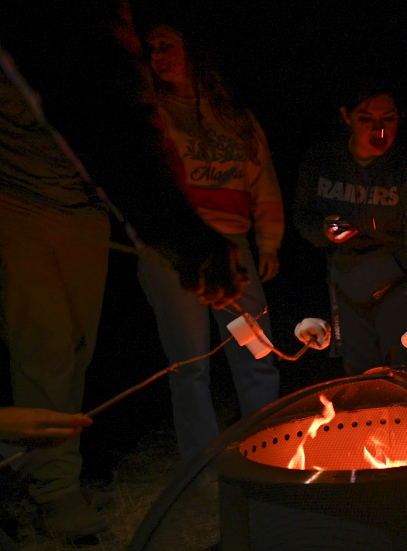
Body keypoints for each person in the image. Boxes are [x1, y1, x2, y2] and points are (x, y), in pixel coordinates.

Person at [0, 1, 244, 539]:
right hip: (18, 196)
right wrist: (183, 238)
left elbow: (129, 122)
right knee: (45, 343)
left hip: (84, 205)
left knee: (76, 346)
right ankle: (53, 490)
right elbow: (106, 112)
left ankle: (41, 467)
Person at [138, 22, 285, 465]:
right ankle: (201, 468)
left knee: (255, 349)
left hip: (232, 242)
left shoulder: (234, 117)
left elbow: (264, 182)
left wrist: (270, 242)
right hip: (175, 247)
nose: (157, 57)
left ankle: (269, 452)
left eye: (167, 46)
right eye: (150, 50)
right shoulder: (152, 112)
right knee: (190, 363)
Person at [294, 88, 407, 374]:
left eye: (389, 119)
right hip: (345, 283)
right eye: (366, 119)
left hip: (395, 283)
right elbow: (302, 216)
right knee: (361, 379)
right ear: (346, 116)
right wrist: (323, 230)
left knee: (404, 373)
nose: (380, 131)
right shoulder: (323, 160)